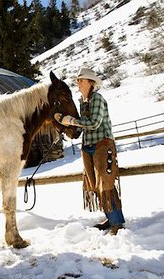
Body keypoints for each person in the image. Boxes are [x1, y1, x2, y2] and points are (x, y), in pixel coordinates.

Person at [54, 68, 125, 235]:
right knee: (94, 184)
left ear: (90, 82)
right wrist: (65, 123)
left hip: (102, 144)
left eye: (81, 80)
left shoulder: (98, 99)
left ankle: (117, 222)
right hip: (89, 147)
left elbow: (93, 123)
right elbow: (83, 123)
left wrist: (70, 120)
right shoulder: (83, 102)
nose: (78, 83)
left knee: (106, 183)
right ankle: (110, 216)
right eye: (78, 80)